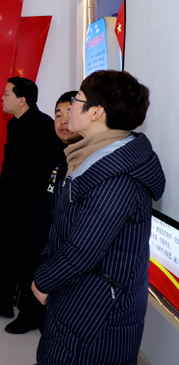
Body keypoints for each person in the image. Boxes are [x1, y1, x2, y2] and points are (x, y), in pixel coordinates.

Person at [32, 70, 165, 365]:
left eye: (77, 101)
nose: (70, 110)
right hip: (78, 300)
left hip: (96, 313)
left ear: (96, 112)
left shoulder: (117, 178)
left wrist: (43, 281)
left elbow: (82, 251)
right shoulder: (91, 158)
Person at [0, 77, 61, 333]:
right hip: (11, 204)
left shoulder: (43, 126)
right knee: (6, 254)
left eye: (7, 93)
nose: (2, 98)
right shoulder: (14, 124)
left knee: (26, 260)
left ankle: (28, 314)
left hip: (30, 209)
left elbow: (44, 173)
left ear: (22, 100)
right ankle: (2, 301)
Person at [21, 91, 83, 333]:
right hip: (42, 244)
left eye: (70, 113)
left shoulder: (86, 161)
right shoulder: (53, 154)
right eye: (58, 115)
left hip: (67, 257)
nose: (63, 121)